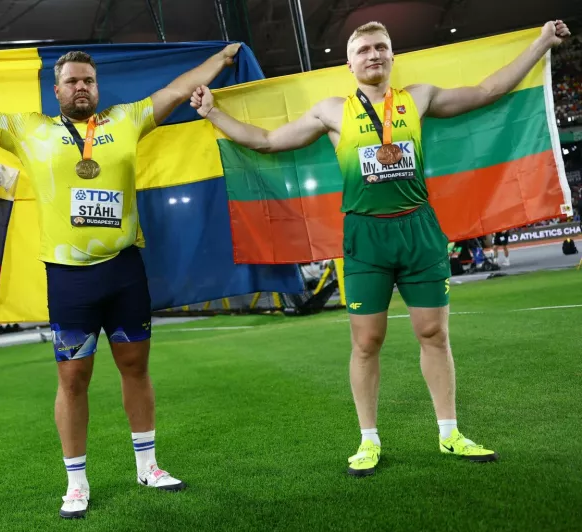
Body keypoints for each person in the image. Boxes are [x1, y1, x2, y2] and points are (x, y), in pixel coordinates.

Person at [191, 20, 571, 476]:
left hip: (419, 232)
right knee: (367, 341)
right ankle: (368, 440)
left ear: (392, 57)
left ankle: (449, 433)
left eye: (381, 48)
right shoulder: (331, 111)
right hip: (366, 237)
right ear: (349, 63)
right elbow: (267, 141)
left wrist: (541, 43)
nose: (374, 55)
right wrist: (213, 113)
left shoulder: (419, 98)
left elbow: (488, 90)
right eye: (365, 49)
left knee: (434, 333)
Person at [0, 43, 240, 517]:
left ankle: (148, 465)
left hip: (124, 268)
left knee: (135, 368)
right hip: (70, 278)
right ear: (56, 89)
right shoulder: (28, 129)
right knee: (73, 378)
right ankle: (76, 482)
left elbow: (178, 91)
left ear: (97, 88)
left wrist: (219, 61)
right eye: (72, 81)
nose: (81, 87)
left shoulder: (126, 119)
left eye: (88, 81)